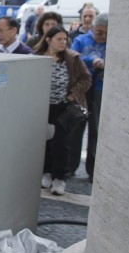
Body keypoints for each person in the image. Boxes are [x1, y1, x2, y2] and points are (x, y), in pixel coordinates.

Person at [33, 26, 91, 196]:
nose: (62, 42)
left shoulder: (72, 58)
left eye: (65, 39)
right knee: (45, 141)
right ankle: (46, 172)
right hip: (42, 107)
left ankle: (60, 177)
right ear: (48, 40)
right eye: (59, 39)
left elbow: (86, 78)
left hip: (63, 107)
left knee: (61, 143)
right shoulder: (37, 57)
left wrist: (73, 94)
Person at [71, 13, 108, 182]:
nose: (102, 36)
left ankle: (93, 170)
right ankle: (69, 167)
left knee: (96, 130)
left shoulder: (111, 44)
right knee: (76, 128)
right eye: (99, 32)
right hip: (82, 90)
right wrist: (91, 59)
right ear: (93, 28)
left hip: (101, 90)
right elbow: (72, 58)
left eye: (106, 33)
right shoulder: (81, 40)